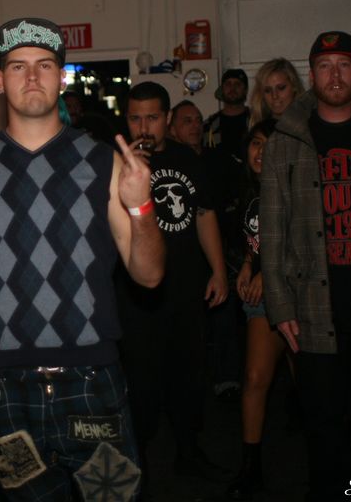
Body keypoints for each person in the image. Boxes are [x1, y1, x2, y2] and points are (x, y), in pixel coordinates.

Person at [0, 17, 164, 501]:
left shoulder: (104, 162)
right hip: (4, 388)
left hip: (91, 379)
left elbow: (150, 275)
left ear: (61, 77)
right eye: (18, 66)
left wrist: (142, 208)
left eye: (45, 65)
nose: (32, 76)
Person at [261, 30, 351, 501]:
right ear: (312, 75)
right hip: (313, 307)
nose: (335, 75)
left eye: (344, 65)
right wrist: (280, 306)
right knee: (323, 426)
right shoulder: (287, 138)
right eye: (325, 66)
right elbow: (273, 228)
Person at [118, 82, 229, 489]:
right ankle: (139, 465)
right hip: (136, 296)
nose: (143, 127)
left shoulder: (187, 159)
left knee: (188, 376)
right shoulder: (117, 164)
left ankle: (188, 452)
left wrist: (219, 270)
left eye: (152, 117)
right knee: (141, 383)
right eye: (135, 118)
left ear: (167, 118)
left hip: (185, 289)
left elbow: (204, 214)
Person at [226, 119, 290, 500]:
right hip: (262, 299)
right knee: (253, 377)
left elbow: (302, 239)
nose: (260, 151)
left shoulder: (292, 187)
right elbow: (255, 240)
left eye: (269, 144)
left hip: (296, 294)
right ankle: (251, 469)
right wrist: (249, 266)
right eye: (255, 143)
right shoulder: (251, 192)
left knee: (311, 385)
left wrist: (269, 270)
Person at [173, 100, 245, 399]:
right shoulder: (167, 164)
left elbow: (238, 195)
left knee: (223, 315)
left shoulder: (218, 159)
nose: (195, 126)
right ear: (172, 128)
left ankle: (226, 378)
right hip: (182, 256)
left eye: (198, 120)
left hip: (220, 250)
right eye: (187, 120)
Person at [203, 68, 250, 161]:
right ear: (222, 89)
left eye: (237, 84)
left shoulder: (257, 120)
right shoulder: (209, 126)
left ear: (245, 90)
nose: (232, 88)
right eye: (228, 84)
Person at [247, 58, 305, 126]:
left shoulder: (310, 123)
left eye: (281, 88)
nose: (274, 96)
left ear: (294, 86)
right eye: (268, 90)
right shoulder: (257, 126)